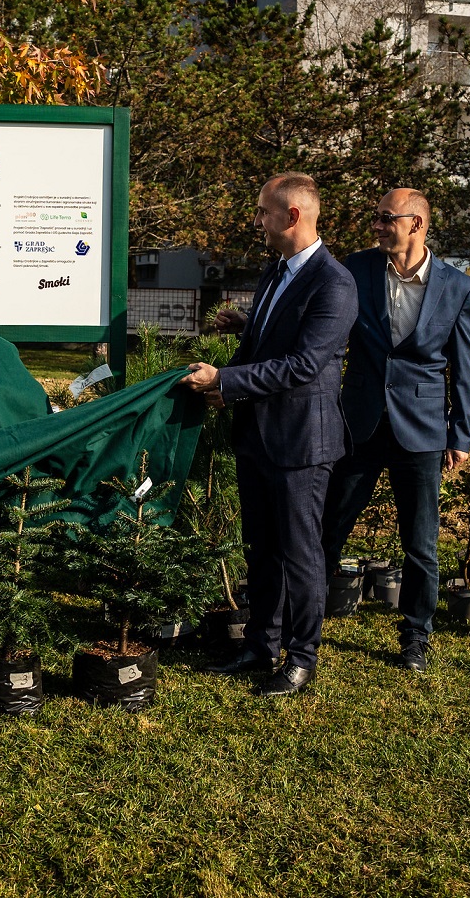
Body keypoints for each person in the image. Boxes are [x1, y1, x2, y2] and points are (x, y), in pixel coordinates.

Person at [179, 172, 357, 697]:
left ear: (292, 216)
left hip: (301, 443)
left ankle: (302, 659)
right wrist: (226, 383)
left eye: (263, 211)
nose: (257, 220)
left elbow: (303, 364)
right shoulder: (275, 271)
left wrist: (227, 381)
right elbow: (260, 347)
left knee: (300, 553)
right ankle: (261, 644)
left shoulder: (334, 283)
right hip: (257, 435)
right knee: (261, 550)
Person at [321, 188, 470, 672]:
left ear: (417, 224)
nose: (377, 225)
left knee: (420, 544)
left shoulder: (457, 286)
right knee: (328, 527)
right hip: (360, 422)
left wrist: (460, 433)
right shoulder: (356, 269)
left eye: (386, 218)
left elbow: (464, 367)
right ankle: (301, 619)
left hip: (422, 429)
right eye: (377, 216)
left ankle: (415, 637)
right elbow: (318, 320)